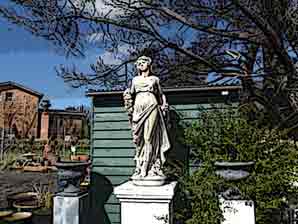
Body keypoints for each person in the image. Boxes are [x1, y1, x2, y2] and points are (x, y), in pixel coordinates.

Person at [124, 56, 171, 178]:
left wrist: (164, 105)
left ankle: (146, 167)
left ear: (149, 64)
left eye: (143, 62)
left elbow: (161, 95)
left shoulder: (155, 79)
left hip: (152, 106)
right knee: (137, 139)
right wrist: (127, 98)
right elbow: (130, 93)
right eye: (138, 63)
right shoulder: (135, 80)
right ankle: (139, 165)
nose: (140, 64)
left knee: (148, 138)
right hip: (138, 109)